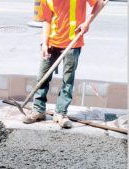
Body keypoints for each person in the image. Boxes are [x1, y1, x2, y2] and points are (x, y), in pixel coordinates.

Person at [22, 0, 104, 128]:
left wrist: (87, 23)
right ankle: (38, 110)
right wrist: (44, 43)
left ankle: (60, 113)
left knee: (68, 80)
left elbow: (99, 3)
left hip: (73, 43)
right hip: (51, 43)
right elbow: (47, 20)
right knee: (42, 77)